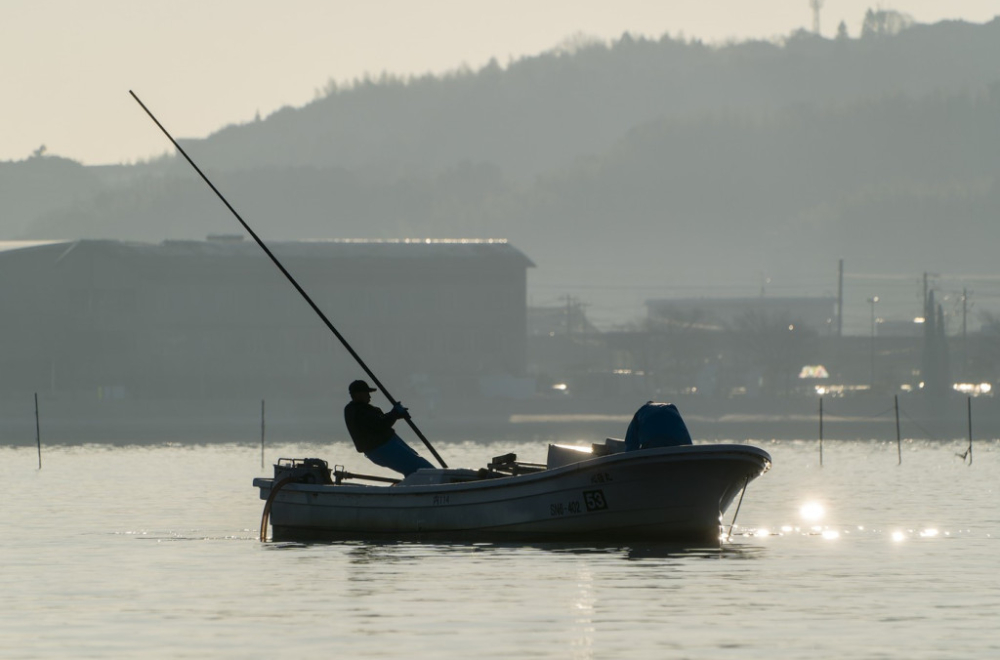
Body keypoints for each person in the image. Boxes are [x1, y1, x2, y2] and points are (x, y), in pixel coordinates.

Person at [343, 379, 434, 477]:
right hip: (382, 448)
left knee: (417, 465)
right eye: (367, 393)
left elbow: (379, 420)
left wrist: (395, 414)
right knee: (421, 468)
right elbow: (380, 425)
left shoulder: (362, 409)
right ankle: (436, 485)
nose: (369, 396)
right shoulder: (357, 411)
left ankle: (415, 486)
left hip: (388, 444)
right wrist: (394, 413)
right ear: (358, 394)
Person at [623, 401, 693, 451]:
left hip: (652, 441)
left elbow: (631, 442)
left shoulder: (641, 411)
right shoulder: (672, 408)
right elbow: (684, 433)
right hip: (675, 440)